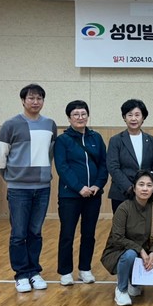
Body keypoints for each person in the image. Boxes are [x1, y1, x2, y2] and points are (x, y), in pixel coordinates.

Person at [0, 83, 58, 293]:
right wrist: (12, 178)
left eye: (39, 98)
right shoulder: (10, 125)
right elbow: (0, 157)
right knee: (18, 233)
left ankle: (34, 271)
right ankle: (21, 274)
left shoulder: (50, 124)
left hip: (42, 188)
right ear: (23, 101)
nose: (35, 102)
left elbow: (50, 153)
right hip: (18, 189)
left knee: (35, 232)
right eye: (31, 98)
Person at [54, 100, 108, 286]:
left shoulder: (96, 138)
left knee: (89, 233)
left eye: (83, 114)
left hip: (93, 195)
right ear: (69, 118)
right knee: (67, 234)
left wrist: (97, 185)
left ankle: (85, 269)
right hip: (70, 196)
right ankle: (65, 271)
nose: (80, 117)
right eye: (76, 114)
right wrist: (79, 187)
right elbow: (62, 167)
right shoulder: (63, 140)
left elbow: (103, 164)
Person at [100, 170, 153, 306]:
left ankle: (133, 281)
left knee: (136, 290)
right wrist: (140, 250)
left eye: (149, 185)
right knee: (130, 254)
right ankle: (121, 289)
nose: (145, 188)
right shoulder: (124, 208)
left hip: (143, 254)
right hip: (119, 251)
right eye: (141, 184)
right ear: (134, 188)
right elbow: (118, 238)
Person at [106, 99, 153, 213]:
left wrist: (147, 185)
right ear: (124, 117)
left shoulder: (152, 141)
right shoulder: (116, 140)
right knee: (122, 223)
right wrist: (130, 187)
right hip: (122, 192)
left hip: (145, 193)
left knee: (144, 223)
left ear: (143, 117)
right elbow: (113, 167)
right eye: (129, 115)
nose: (133, 118)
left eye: (137, 115)